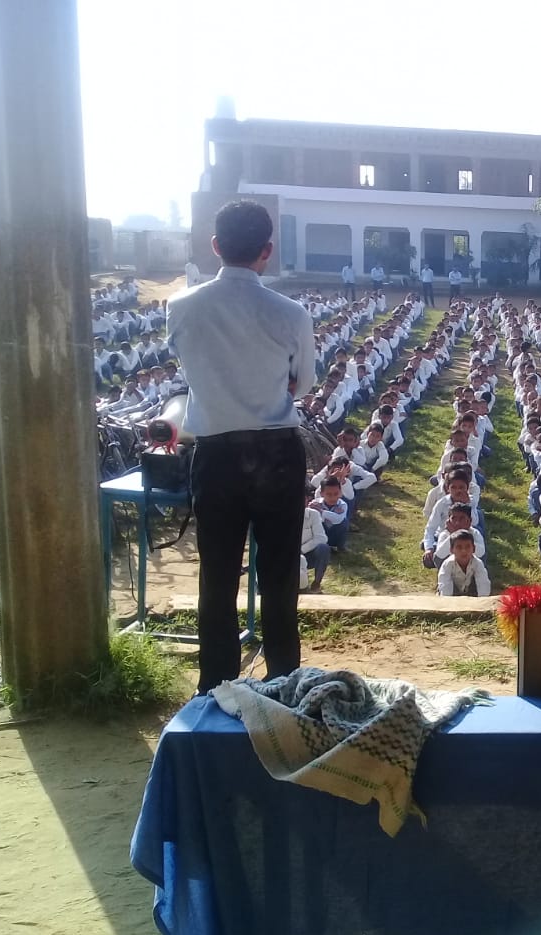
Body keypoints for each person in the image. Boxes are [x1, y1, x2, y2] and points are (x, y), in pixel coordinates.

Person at [166, 199, 315, 694]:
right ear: (266, 251)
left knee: (218, 576)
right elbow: (305, 384)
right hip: (276, 453)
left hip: (217, 456)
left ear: (214, 247)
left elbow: (190, 369)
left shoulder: (182, 307)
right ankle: (283, 684)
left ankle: (216, 687)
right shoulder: (291, 312)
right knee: (277, 579)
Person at [437, 529, 491, 597]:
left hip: (471, 593)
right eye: (459, 547)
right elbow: (445, 586)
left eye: (468, 547)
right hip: (453, 593)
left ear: (474, 548)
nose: (464, 551)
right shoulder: (447, 565)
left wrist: (482, 601)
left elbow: (483, 584)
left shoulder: (478, 563)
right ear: (451, 550)